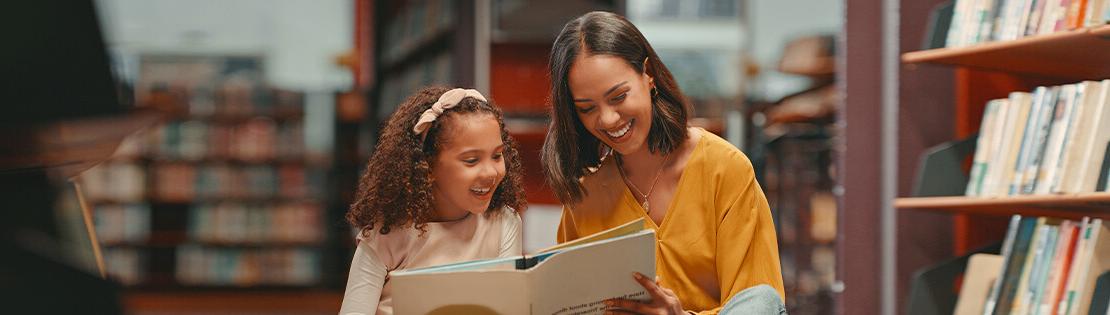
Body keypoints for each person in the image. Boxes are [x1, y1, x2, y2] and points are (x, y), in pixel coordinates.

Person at [542, 11, 786, 314]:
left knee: (762, 300)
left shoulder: (724, 169)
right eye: (587, 108)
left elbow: (759, 304)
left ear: (648, 75)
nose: (607, 119)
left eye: (618, 96)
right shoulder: (584, 198)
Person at [339, 86, 527, 315]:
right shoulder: (385, 235)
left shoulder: (504, 223)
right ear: (427, 167)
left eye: (497, 155)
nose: (490, 172)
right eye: (471, 160)